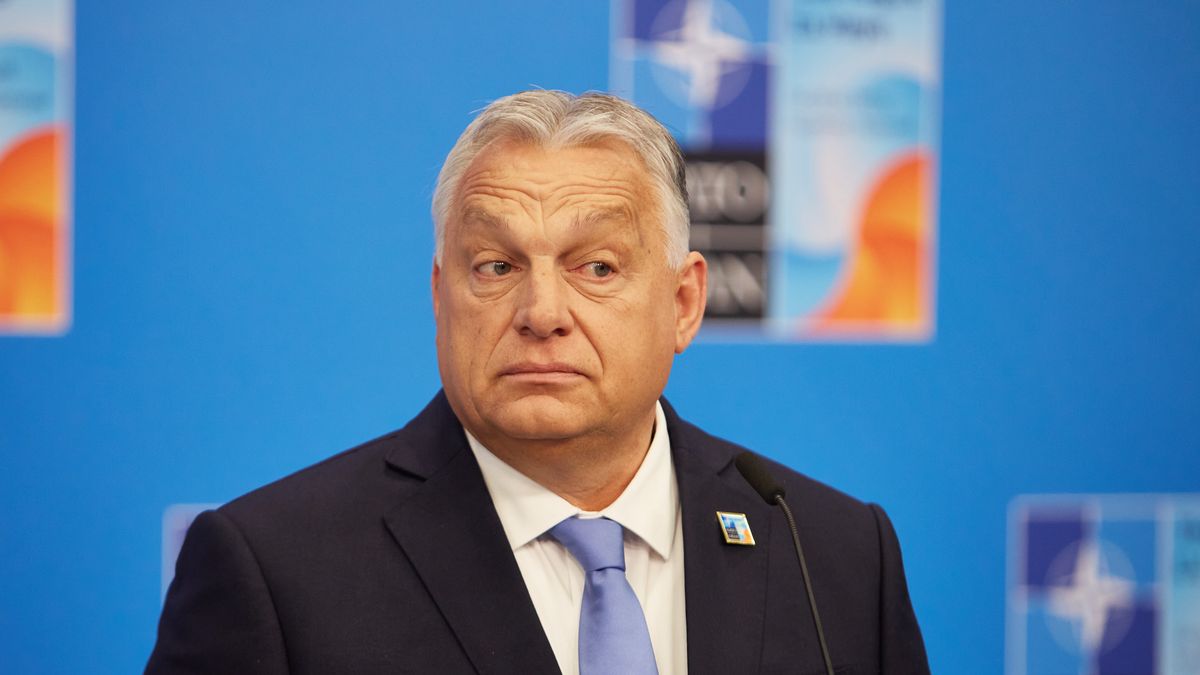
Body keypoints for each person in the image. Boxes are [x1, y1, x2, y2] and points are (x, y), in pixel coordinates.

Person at [146, 90, 929, 674]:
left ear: (684, 303)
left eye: (597, 267)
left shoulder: (832, 552)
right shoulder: (276, 570)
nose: (542, 311)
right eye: (497, 266)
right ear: (440, 295)